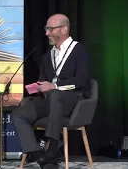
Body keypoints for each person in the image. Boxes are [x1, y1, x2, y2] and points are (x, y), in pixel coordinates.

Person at [12, 14, 91, 166]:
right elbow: (44, 81)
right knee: (19, 114)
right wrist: (39, 87)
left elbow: (82, 80)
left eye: (50, 29)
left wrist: (54, 86)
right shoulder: (48, 56)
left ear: (64, 29)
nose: (47, 33)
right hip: (50, 101)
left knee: (55, 94)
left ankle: (52, 146)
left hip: (73, 101)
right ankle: (39, 155)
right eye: (46, 29)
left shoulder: (78, 50)